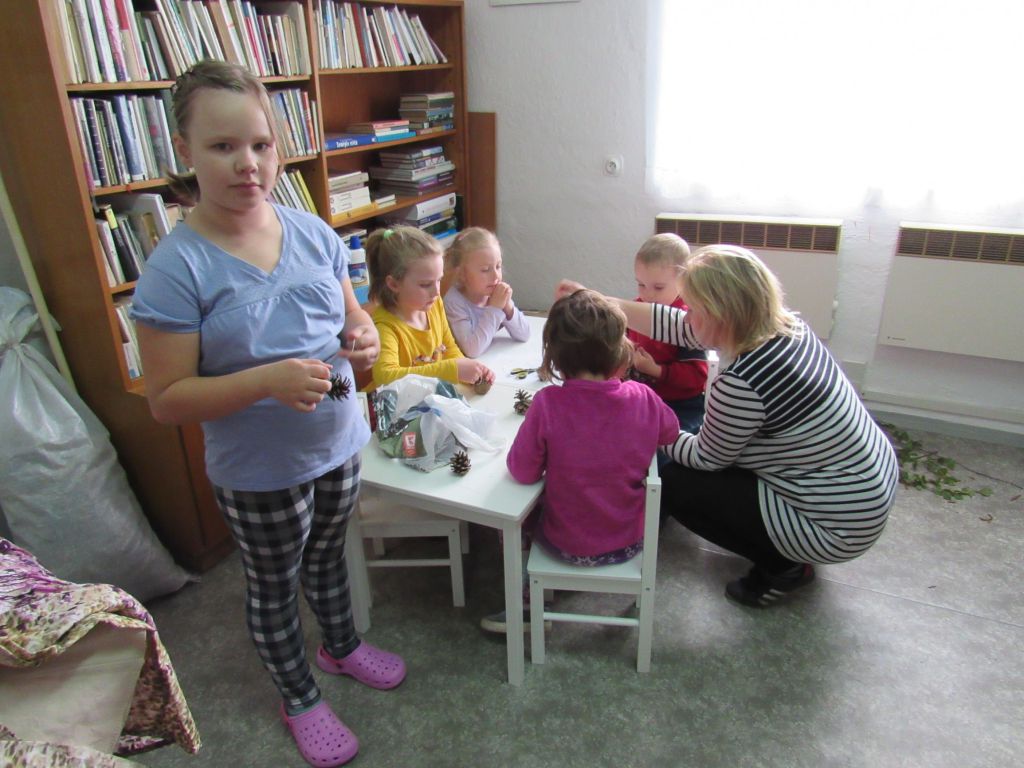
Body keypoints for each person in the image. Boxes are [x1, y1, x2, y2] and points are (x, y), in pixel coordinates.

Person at [130, 60, 403, 768]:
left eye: (260, 144)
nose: (247, 164)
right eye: (222, 147)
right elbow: (167, 398)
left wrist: (365, 337)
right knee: (276, 583)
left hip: (337, 441)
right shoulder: (176, 268)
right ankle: (299, 695)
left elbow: (352, 319)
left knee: (330, 557)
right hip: (259, 471)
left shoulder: (312, 232)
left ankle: (340, 646)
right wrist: (265, 382)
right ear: (184, 151)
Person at [556, 244, 898, 608]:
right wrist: (598, 302)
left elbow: (707, 457)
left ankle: (784, 567)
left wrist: (641, 423)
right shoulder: (787, 326)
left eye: (693, 309)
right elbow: (679, 327)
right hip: (865, 489)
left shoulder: (741, 380)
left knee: (674, 481)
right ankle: (786, 539)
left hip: (838, 526)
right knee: (700, 454)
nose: (685, 316)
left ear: (720, 314)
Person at [481, 289, 679, 633]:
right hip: (629, 543)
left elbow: (522, 472)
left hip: (564, 545)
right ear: (619, 351)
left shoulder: (548, 404)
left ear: (556, 360)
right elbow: (671, 432)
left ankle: (528, 606)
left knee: (511, 518)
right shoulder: (643, 397)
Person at [365, 225, 495, 391]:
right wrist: (452, 370)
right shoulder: (385, 327)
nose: (436, 292)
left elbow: (449, 349)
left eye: (439, 280)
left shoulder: (433, 305)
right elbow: (385, 377)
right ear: (394, 284)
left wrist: (472, 369)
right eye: (425, 284)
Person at [626, 233, 708, 433]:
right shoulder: (637, 309)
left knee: (670, 443)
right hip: (641, 397)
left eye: (658, 287)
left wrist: (656, 370)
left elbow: (697, 377)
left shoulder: (689, 318)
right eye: (641, 284)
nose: (648, 294)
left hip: (680, 404)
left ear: (683, 281)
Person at [442, 226, 531, 357]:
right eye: (485, 270)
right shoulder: (454, 301)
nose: (496, 276)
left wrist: (508, 308)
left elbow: (525, 334)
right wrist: (494, 309)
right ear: (462, 274)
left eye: (498, 266)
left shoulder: (493, 291)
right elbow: (472, 350)